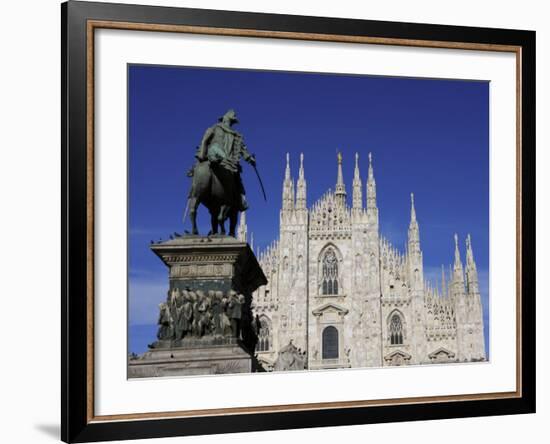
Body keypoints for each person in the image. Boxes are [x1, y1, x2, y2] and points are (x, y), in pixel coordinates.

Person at [190, 109, 256, 211]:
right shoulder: (234, 135)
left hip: (212, 157)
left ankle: (194, 192)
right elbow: (244, 152)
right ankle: (241, 201)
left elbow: (204, 141)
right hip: (227, 163)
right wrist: (250, 159)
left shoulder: (215, 128)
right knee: (238, 183)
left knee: (198, 171)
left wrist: (201, 155)